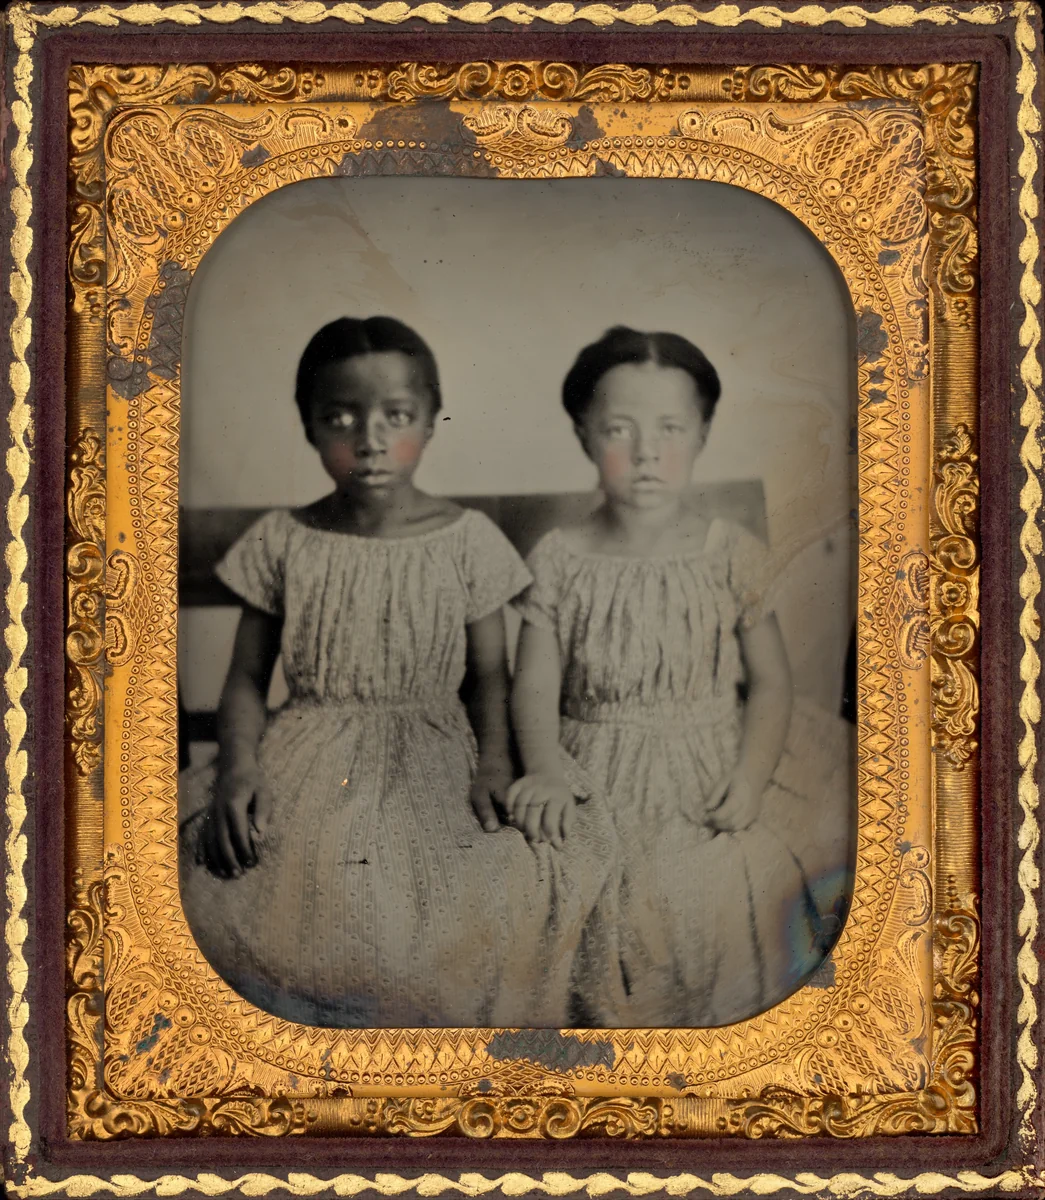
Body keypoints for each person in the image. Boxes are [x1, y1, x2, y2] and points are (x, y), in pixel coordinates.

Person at [179, 316, 613, 1028]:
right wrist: (236, 770)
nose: (370, 439)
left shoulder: (466, 538)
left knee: (497, 878)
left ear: (430, 421)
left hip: (436, 747)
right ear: (310, 427)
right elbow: (246, 681)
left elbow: (491, 677)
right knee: (235, 880)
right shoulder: (284, 540)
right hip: (307, 754)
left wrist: (495, 764)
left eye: (397, 416)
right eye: (340, 417)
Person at [507, 326, 852, 1027]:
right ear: (582, 436)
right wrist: (543, 765)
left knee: (734, 877)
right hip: (590, 764)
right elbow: (534, 682)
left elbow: (771, 684)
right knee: (572, 883)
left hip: (708, 757)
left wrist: (752, 776)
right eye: (618, 429)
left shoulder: (730, 553)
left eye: (669, 429)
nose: (645, 454)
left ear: (700, 435)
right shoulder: (560, 557)